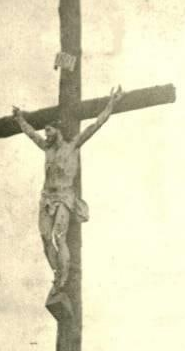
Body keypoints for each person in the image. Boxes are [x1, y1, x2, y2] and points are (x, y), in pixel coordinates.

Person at [12, 86, 124, 291]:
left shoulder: (72, 146)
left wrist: (112, 103)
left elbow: (96, 124)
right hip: (46, 198)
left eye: (48, 130)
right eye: (44, 131)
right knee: (45, 238)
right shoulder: (46, 148)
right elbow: (30, 133)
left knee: (58, 236)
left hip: (64, 196)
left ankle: (63, 278)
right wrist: (19, 119)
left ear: (58, 131)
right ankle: (57, 274)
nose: (45, 135)